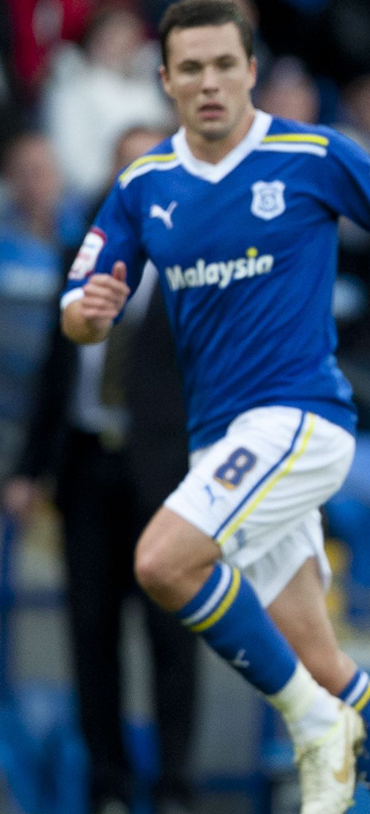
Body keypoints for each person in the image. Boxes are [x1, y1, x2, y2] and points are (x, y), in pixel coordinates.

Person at [57, 0, 370, 814]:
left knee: (163, 562)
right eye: (190, 68)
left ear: (251, 71)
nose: (208, 83)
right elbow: (77, 309)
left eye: (224, 65)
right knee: (328, 664)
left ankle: (309, 724)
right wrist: (86, 317)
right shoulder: (142, 186)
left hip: (300, 421)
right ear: (164, 81)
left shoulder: (314, 156)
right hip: (221, 446)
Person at [6, 125, 198, 814]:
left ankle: (174, 789)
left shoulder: (197, 264)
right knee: (92, 637)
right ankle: (107, 786)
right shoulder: (77, 255)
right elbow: (54, 378)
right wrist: (29, 468)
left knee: (171, 639)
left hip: (170, 481)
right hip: (86, 470)